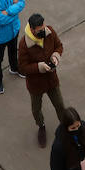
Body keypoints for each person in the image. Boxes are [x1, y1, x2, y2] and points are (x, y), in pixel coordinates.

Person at [20, 13, 67, 147]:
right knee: (36, 109)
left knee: (60, 105)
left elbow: (59, 46)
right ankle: (41, 126)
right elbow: (22, 67)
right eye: (40, 30)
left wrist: (56, 55)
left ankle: (65, 128)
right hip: (36, 84)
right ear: (33, 29)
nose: (43, 30)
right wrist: (39, 67)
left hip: (51, 79)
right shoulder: (24, 44)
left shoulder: (50, 32)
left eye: (44, 27)